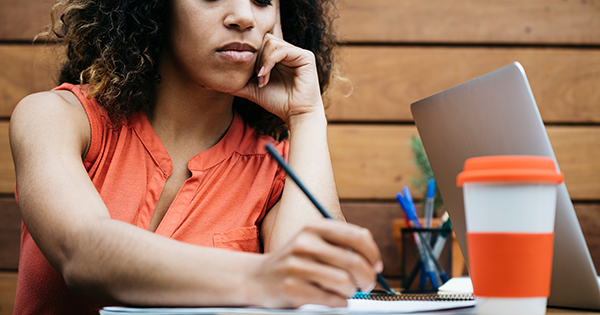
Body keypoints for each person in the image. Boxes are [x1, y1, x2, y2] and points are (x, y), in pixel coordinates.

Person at [9, 0, 384, 314]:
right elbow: (83, 251)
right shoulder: (55, 117)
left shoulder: (275, 168)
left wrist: (306, 116)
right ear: (156, 8)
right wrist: (260, 276)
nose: (244, 16)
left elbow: (314, 290)